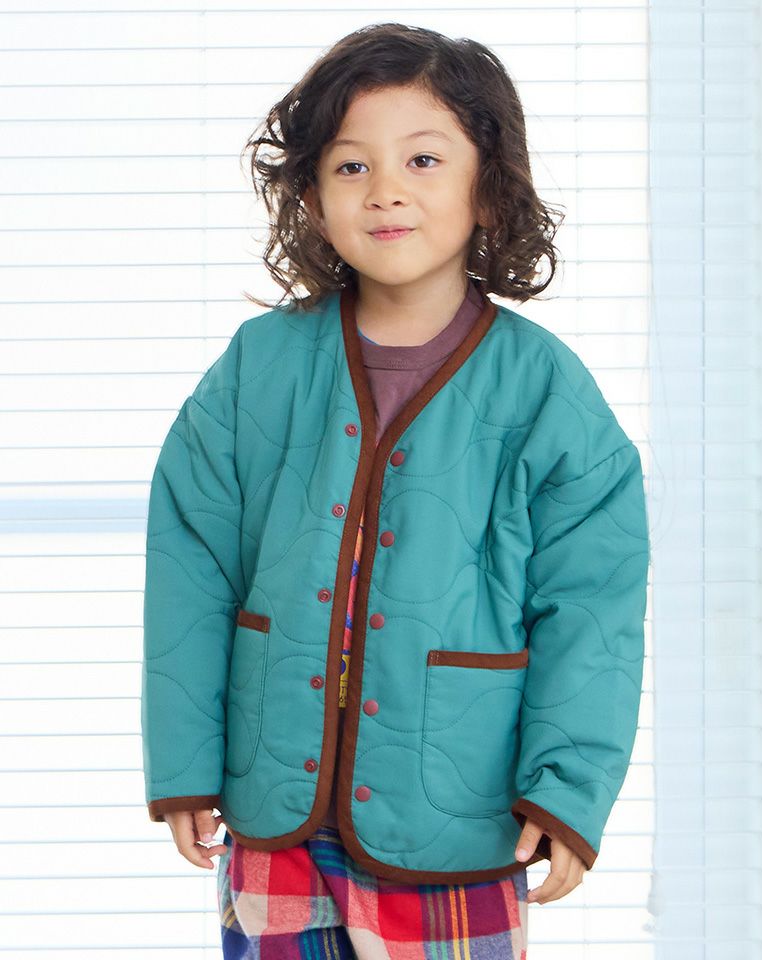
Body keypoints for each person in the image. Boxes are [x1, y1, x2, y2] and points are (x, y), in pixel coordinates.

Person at [140, 21, 650, 960]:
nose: (385, 190)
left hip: (460, 815)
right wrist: (184, 763)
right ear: (311, 195)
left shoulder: (546, 391)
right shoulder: (260, 367)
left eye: (422, 159)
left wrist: (567, 791)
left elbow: (593, 607)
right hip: (275, 813)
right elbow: (192, 565)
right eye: (351, 166)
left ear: (487, 189)